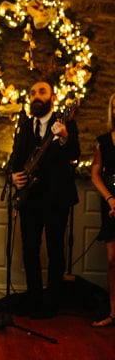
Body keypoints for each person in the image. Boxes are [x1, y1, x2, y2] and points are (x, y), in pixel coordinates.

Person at [11, 80, 80, 319]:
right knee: (30, 249)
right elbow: (15, 159)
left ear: (52, 97)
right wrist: (14, 176)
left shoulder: (65, 123)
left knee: (55, 250)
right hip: (29, 198)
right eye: (32, 93)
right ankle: (33, 298)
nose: (36, 96)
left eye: (42, 92)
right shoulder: (24, 126)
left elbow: (75, 154)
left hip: (56, 198)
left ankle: (52, 302)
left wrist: (64, 136)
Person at [89, 92, 115, 327]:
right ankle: (113, 312)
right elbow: (95, 173)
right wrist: (110, 199)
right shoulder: (104, 141)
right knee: (112, 259)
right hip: (110, 201)